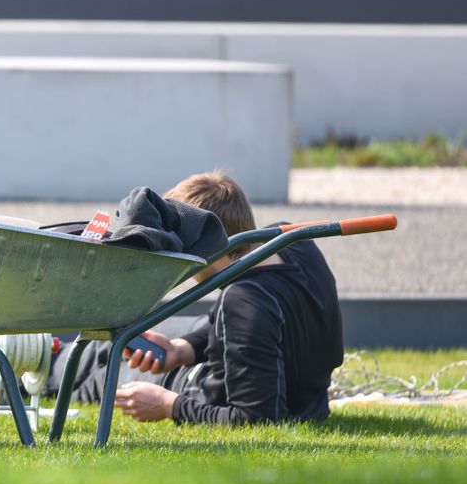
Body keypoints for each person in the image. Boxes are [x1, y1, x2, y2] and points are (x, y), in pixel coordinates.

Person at [107, 172, 344, 425]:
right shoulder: (295, 244)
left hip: (197, 384)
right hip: (311, 401)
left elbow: (255, 418)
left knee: (100, 362)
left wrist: (168, 405)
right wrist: (181, 350)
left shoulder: (242, 302)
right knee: (141, 341)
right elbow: (260, 327)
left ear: (201, 240)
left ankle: (61, 360)